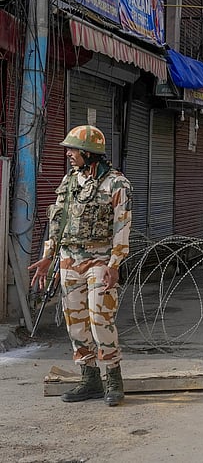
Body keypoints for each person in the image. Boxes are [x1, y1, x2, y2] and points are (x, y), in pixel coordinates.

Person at [28, 125, 133, 407]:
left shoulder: (116, 184)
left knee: (100, 319)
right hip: (69, 259)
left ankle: (113, 377)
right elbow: (57, 224)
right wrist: (48, 257)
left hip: (100, 259)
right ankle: (89, 378)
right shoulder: (70, 182)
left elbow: (122, 227)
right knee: (75, 323)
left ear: (89, 153)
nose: (69, 155)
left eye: (73, 150)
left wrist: (115, 263)